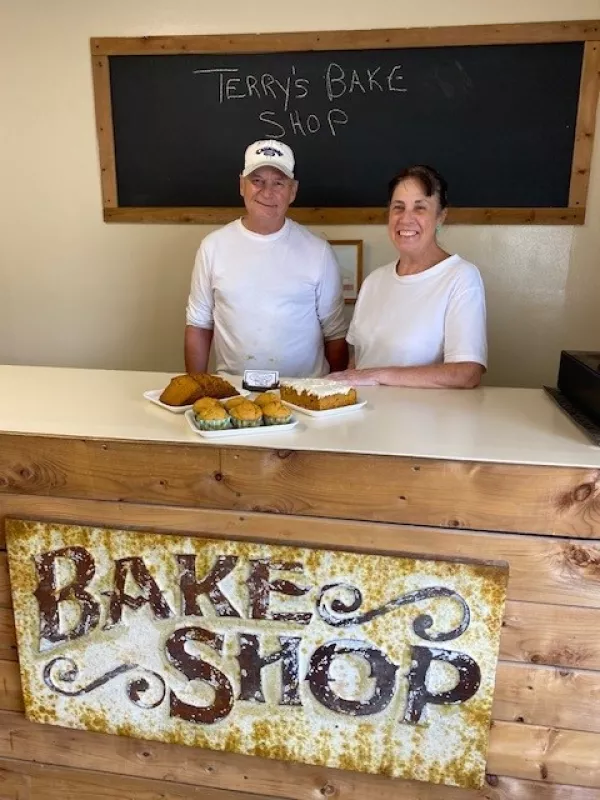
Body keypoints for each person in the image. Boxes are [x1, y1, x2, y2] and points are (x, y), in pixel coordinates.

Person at [184, 140, 348, 377]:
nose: (267, 192)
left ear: (293, 191)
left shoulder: (318, 252)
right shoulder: (213, 247)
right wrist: (196, 388)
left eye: (278, 183)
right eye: (257, 181)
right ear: (242, 185)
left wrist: (333, 393)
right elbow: (199, 324)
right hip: (234, 393)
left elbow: (335, 334)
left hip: (302, 394)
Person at [329, 165, 487, 389]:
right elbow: (357, 362)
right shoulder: (374, 281)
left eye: (420, 208)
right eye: (398, 207)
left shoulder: (461, 277)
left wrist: (376, 375)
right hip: (364, 419)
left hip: (423, 422)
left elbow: (467, 373)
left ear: (441, 217)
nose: (406, 218)